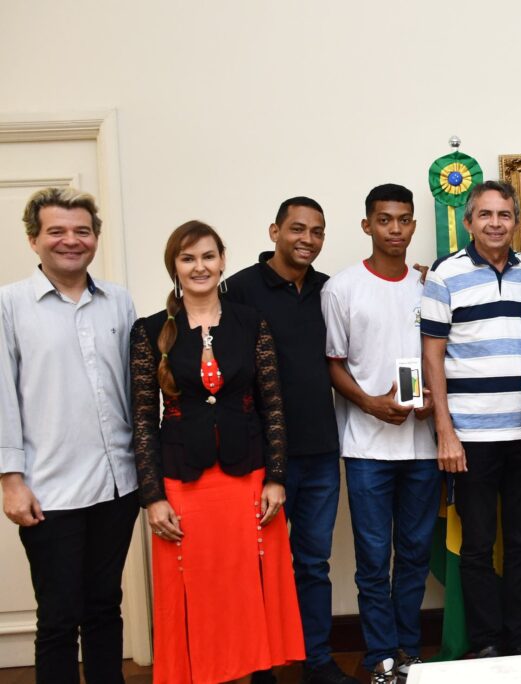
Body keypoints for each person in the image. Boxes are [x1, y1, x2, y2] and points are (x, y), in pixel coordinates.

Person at [131, 220, 305, 682]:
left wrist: (276, 478)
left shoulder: (251, 322)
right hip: (182, 482)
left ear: (222, 260)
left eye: (208, 256)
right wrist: (152, 497)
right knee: (197, 594)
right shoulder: (149, 330)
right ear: (174, 266)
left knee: (246, 589)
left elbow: (273, 405)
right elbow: (143, 419)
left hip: (248, 478)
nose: (199, 267)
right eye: (188, 258)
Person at [1, 188, 138, 683]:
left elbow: (137, 390)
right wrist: (10, 480)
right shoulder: (10, 304)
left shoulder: (118, 302)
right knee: (58, 617)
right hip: (49, 491)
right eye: (56, 231)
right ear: (33, 239)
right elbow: (1, 394)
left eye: (82, 230)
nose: (71, 240)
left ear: (95, 237)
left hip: (117, 485)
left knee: (104, 607)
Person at [224, 197, 356, 683]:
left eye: (317, 231)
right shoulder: (238, 290)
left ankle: (316, 661)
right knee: (262, 566)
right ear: (274, 231)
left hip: (320, 451)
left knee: (313, 564)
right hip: (262, 458)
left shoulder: (329, 289)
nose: (308, 239)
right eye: (297, 228)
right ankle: (262, 667)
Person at [421, 180, 521, 658]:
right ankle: (486, 643)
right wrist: (445, 432)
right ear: (469, 221)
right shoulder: (445, 274)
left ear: (516, 221)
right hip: (470, 436)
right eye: (486, 215)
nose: (496, 223)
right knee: (476, 546)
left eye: (504, 215)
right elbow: (432, 356)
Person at [322, 184, 439, 682]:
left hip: (422, 444)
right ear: (367, 225)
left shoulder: (428, 285)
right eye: (385, 220)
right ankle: (380, 656)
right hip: (367, 448)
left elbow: (436, 356)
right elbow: (333, 362)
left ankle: (408, 649)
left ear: (413, 225)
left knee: (414, 555)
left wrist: (430, 402)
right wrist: (370, 403)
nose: (395, 229)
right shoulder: (342, 288)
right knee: (373, 559)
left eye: (404, 219)